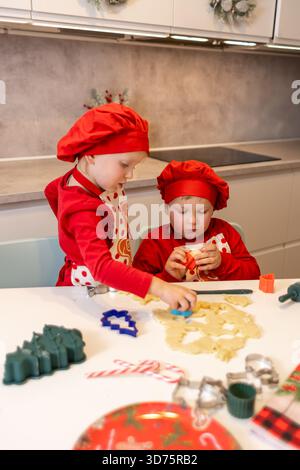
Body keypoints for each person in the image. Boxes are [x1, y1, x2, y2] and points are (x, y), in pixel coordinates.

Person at [44, 104, 196, 311]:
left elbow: (51, 190)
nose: (130, 175)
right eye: (125, 165)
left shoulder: (96, 179)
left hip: (116, 284)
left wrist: (74, 238)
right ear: (91, 155)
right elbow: (101, 267)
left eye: (135, 166)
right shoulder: (81, 209)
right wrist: (161, 288)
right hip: (89, 293)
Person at [133, 160, 260, 282]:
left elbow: (254, 274)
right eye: (182, 212)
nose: (192, 221)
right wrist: (168, 276)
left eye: (202, 212)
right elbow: (135, 286)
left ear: (212, 211)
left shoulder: (225, 232)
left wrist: (222, 262)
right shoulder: (155, 243)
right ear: (167, 209)